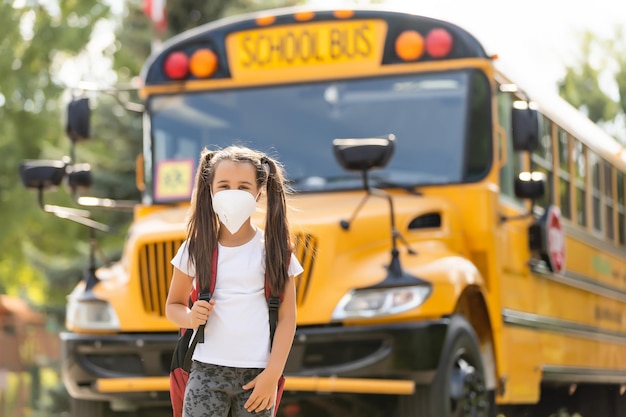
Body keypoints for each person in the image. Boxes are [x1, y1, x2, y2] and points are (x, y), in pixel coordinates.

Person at [165, 145, 303, 417]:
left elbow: (288, 319)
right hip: (205, 373)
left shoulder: (275, 251)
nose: (233, 194)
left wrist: (272, 376)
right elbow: (173, 306)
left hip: (257, 376)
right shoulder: (194, 249)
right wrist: (190, 317)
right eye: (224, 186)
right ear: (210, 191)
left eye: (243, 187)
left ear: (259, 194)